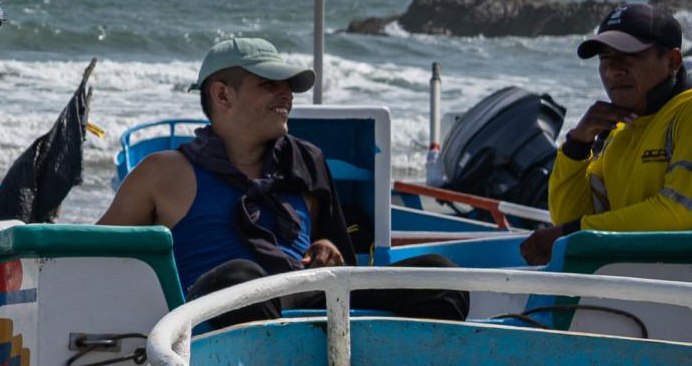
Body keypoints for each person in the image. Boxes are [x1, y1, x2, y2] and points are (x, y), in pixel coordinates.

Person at [100, 36, 465, 322]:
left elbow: (344, 267)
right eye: (269, 84)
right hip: (212, 316)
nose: (286, 94)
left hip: (304, 298)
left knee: (439, 275)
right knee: (241, 280)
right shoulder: (163, 172)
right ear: (223, 95)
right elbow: (89, 256)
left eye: (288, 85)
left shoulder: (305, 161)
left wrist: (325, 246)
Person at [523, 3, 692, 286]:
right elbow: (570, 217)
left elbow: (680, 216)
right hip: (629, 314)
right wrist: (577, 145)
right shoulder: (619, 133)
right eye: (606, 59)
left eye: (628, 56)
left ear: (673, 60)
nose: (613, 71)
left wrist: (571, 231)